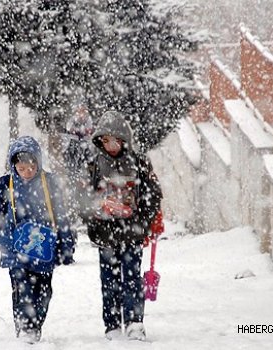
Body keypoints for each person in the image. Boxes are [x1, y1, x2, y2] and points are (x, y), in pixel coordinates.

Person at [0, 135, 75, 344]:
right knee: (21, 289)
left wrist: (66, 246)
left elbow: (61, 216)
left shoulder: (49, 183)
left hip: (44, 248)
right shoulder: (6, 184)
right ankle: (24, 328)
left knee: (44, 291)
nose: (26, 173)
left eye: (31, 168)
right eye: (21, 169)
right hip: (15, 249)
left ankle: (36, 325)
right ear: (14, 166)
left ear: (38, 163)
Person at [85, 111, 162, 341]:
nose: (111, 146)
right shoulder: (94, 165)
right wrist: (94, 218)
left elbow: (153, 194)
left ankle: (134, 322)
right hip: (105, 233)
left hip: (132, 232)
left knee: (131, 277)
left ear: (124, 140)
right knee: (109, 279)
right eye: (106, 141)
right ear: (100, 141)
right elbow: (82, 196)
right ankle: (111, 324)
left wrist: (143, 222)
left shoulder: (138, 162)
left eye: (116, 141)